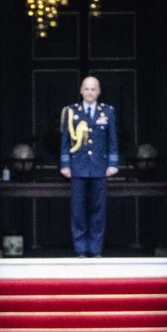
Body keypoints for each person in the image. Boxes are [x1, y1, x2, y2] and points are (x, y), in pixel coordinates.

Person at [60, 76, 119, 257]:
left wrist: (113, 164)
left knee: (98, 210)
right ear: (81, 91)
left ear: (98, 91)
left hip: (99, 168)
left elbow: (112, 139)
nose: (90, 92)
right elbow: (65, 140)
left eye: (93, 89)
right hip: (77, 167)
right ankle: (80, 249)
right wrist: (65, 164)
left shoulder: (107, 112)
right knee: (78, 210)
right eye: (86, 89)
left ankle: (95, 249)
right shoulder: (71, 112)